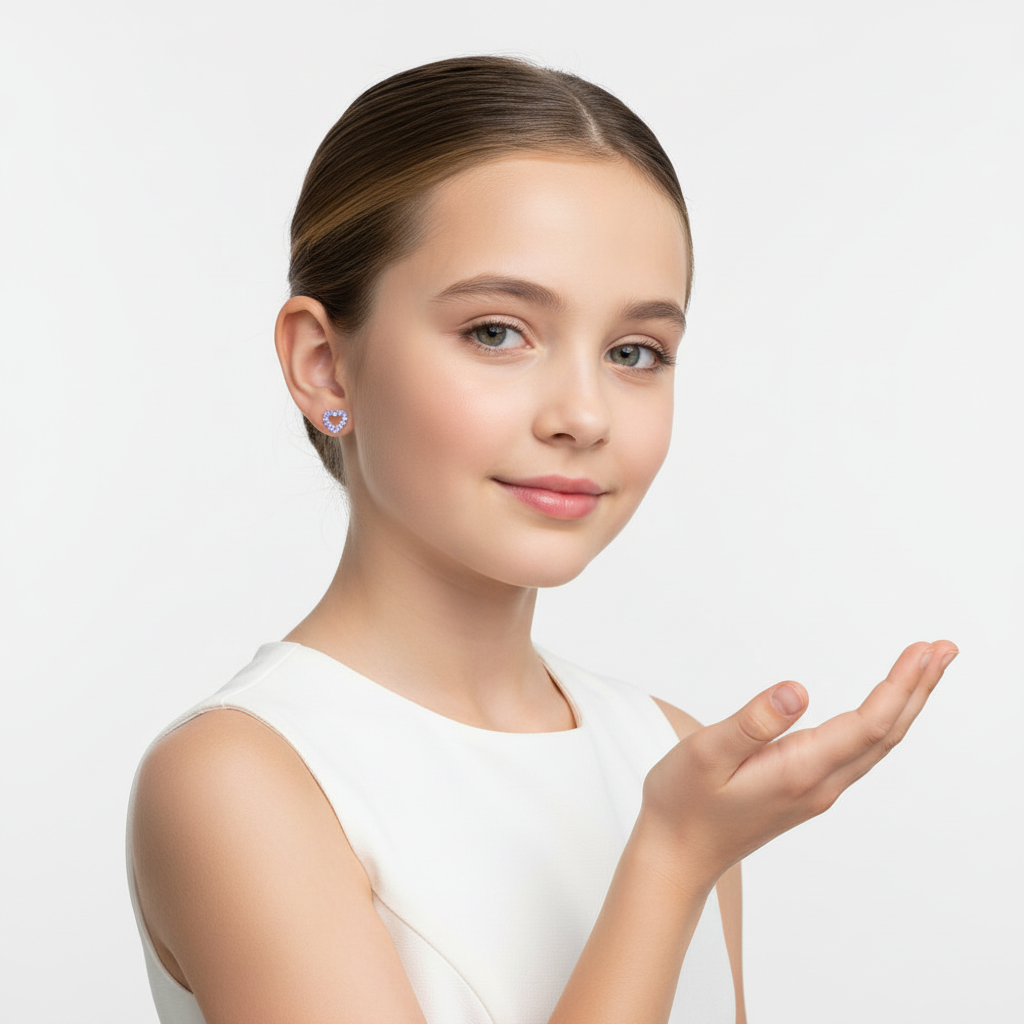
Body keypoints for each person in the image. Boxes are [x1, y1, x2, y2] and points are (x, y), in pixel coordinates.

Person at [126, 55, 958, 1024]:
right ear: (324, 365)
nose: (582, 413)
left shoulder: (669, 751)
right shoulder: (241, 777)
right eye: (495, 331)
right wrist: (671, 858)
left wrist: (682, 840)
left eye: (633, 351)